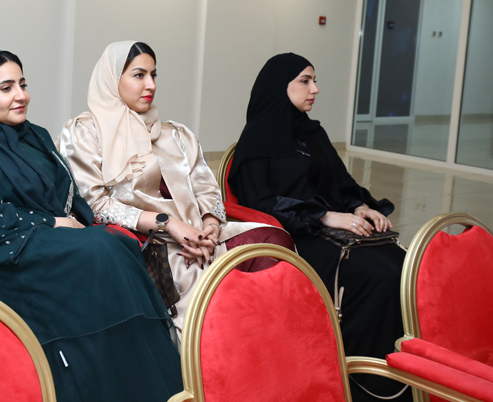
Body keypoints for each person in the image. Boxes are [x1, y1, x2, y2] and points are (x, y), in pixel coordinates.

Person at [0, 49, 182, 402]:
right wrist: (51, 222)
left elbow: (69, 196)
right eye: (6, 88)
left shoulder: (35, 137)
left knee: (115, 245)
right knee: (99, 250)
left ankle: (135, 382)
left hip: (51, 246)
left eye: (23, 84)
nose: (20, 95)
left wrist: (70, 224)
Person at [60, 41, 294, 331]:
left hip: (204, 237)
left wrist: (210, 228)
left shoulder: (176, 134)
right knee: (218, 301)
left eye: (153, 75)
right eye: (139, 75)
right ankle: (220, 348)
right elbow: (94, 204)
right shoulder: (85, 133)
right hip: (148, 245)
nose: (151, 85)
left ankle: (273, 345)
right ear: (112, 79)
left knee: (275, 242)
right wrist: (168, 224)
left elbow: (207, 190)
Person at [228, 52, 409, 402]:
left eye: (314, 80)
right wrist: (324, 216)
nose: (315, 89)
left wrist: (360, 206)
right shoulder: (258, 138)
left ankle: (400, 369)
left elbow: (342, 182)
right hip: (296, 236)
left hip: (334, 228)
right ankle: (364, 380)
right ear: (280, 86)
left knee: (402, 264)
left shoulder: (313, 133)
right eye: (305, 81)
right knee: (377, 275)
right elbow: (261, 203)